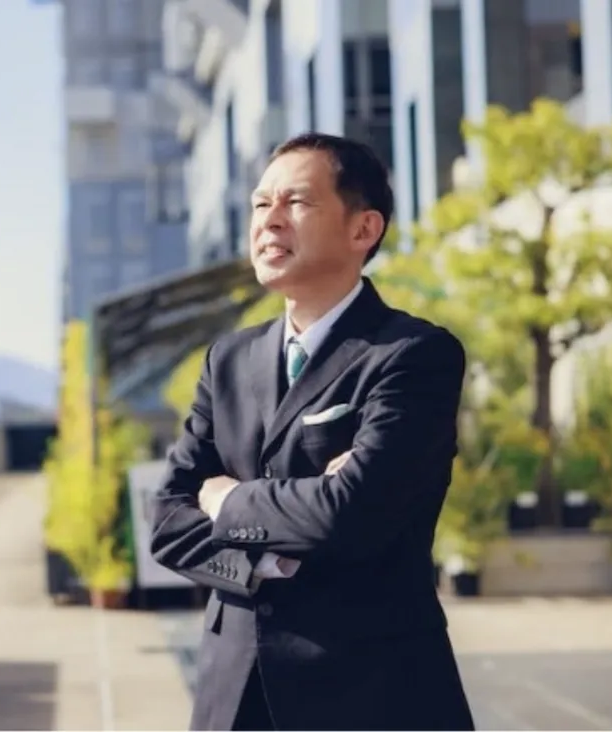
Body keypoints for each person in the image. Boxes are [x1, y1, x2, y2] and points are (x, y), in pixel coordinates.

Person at [149, 132, 475, 731]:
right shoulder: (229, 360)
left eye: (295, 203)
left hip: (372, 693)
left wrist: (228, 501)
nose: (268, 221)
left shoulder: (412, 355)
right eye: (259, 203)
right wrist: (264, 566)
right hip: (234, 695)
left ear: (363, 230)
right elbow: (168, 522)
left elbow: (348, 513)